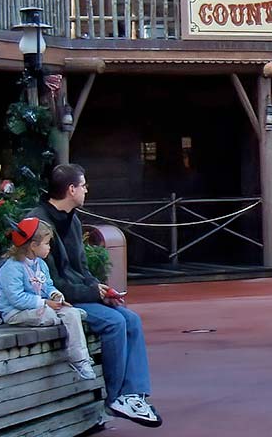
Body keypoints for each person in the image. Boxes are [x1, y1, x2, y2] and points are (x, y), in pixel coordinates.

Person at [29, 164, 161, 427]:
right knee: (115, 323)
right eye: (84, 185)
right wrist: (91, 292)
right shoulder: (39, 223)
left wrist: (100, 289)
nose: (87, 190)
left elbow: (82, 268)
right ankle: (116, 397)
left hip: (81, 292)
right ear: (71, 189)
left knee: (131, 319)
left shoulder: (74, 220)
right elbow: (50, 282)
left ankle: (133, 394)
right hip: (58, 299)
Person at [0, 217, 95, 381]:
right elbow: (16, 298)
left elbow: (47, 286)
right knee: (50, 314)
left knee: (70, 313)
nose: (49, 247)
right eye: (47, 243)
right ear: (33, 246)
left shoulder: (40, 264)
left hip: (40, 308)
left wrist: (55, 295)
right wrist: (45, 303)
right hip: (15, 312)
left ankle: (80, 359)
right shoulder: (12, 267)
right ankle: (65, 317)